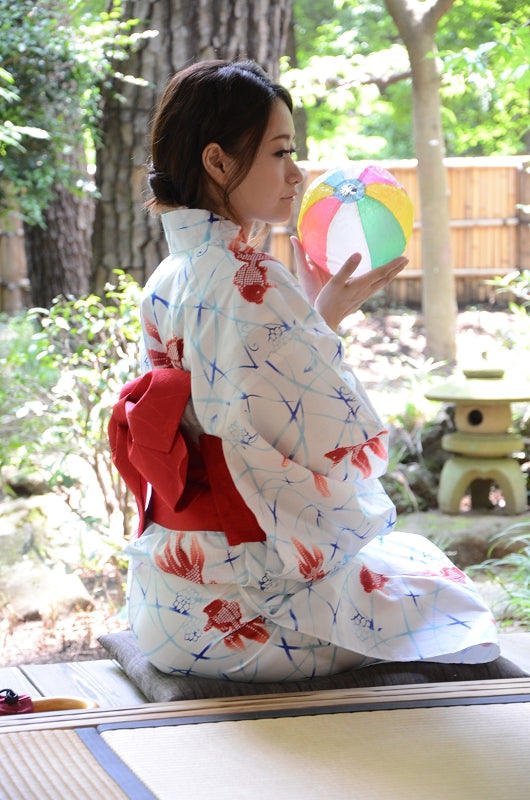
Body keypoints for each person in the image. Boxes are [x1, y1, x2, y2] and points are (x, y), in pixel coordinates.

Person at [111, 59, 498, 682]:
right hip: (243, 616)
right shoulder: (253, 278)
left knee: (411, 560)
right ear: (217, 162)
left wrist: (315, 321)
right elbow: (343, 449)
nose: (297, 173)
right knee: (452, 600)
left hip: (167, 598)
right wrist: (316, 327)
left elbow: (238, 414)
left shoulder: (168, 276)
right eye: (280, 152)